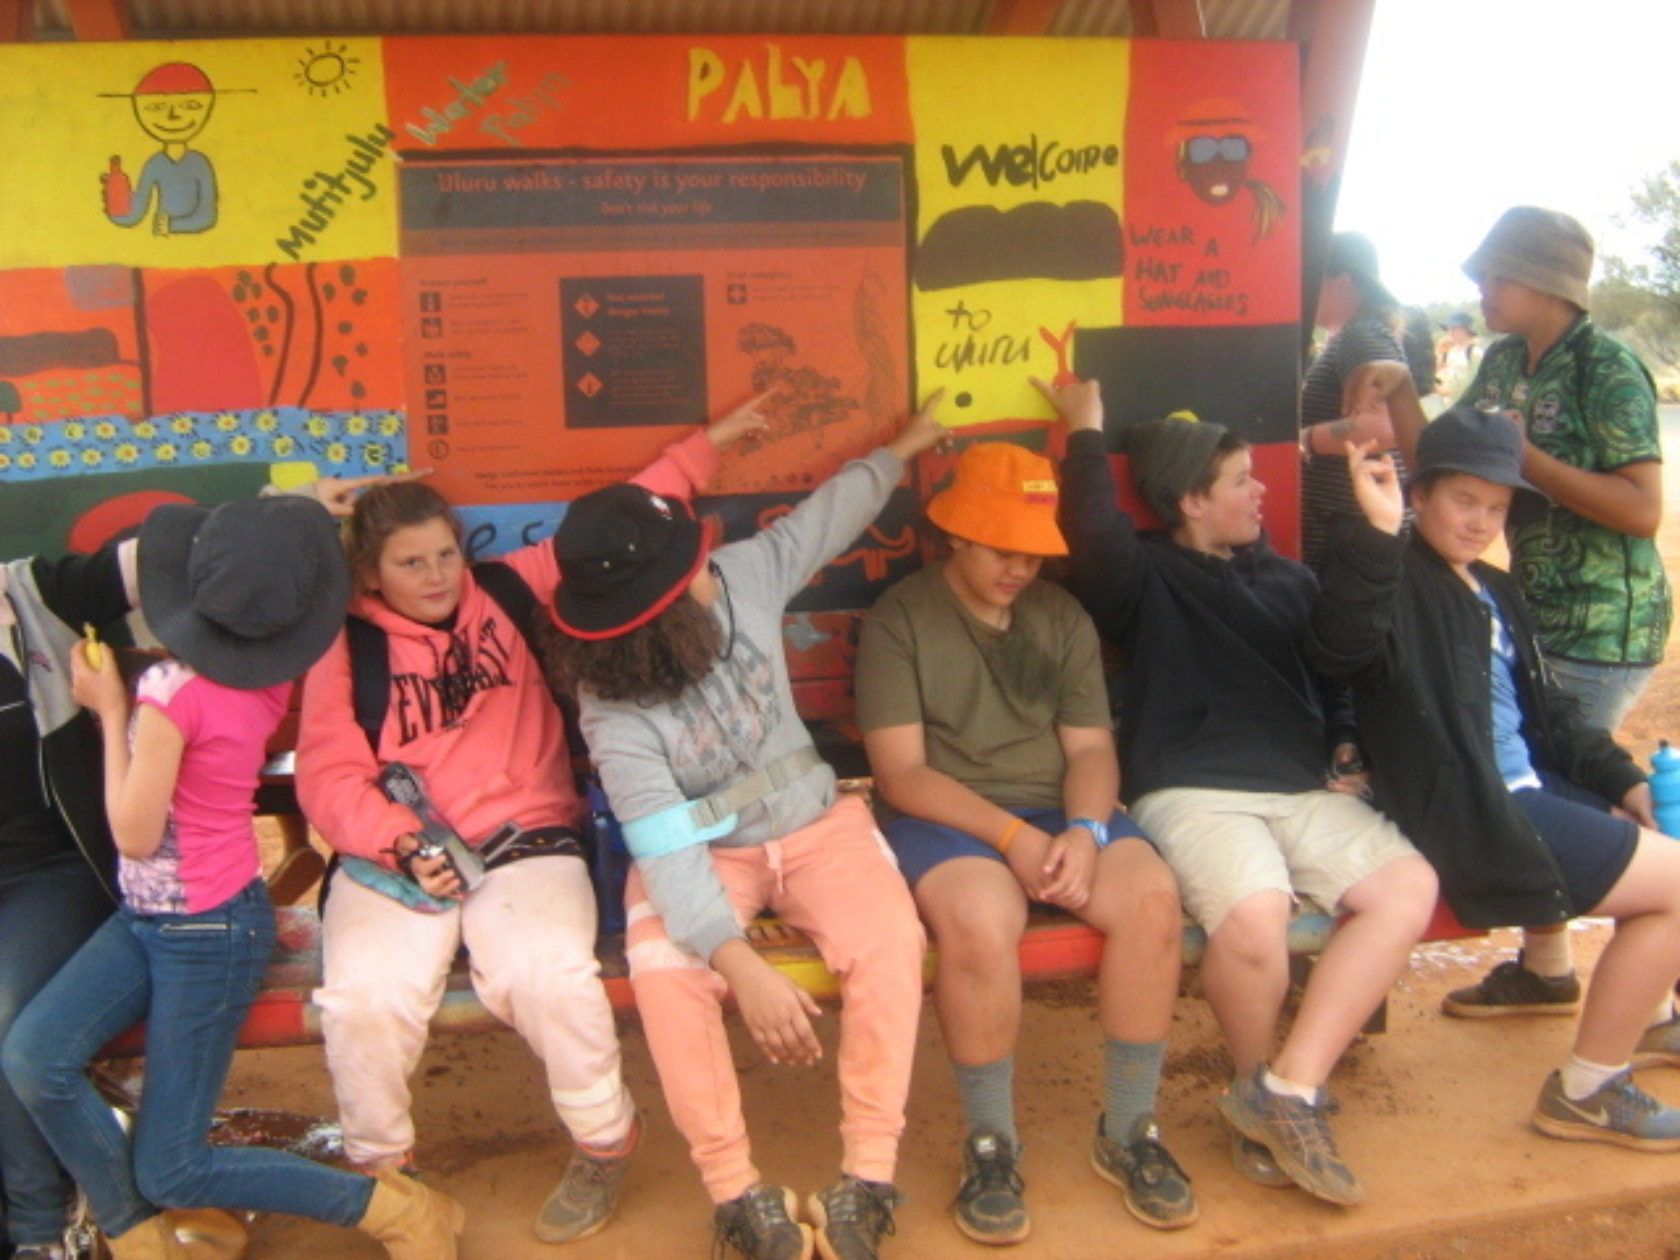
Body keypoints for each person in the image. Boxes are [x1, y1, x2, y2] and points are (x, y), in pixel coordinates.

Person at [295, 407, 761, 1247]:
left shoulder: (507, 587)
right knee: (365, 999)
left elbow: (618, 518)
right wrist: (401, 841)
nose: (436, 576)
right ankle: (389, 1181)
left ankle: (604, 1141)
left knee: (546, 976)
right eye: (410, 563)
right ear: (370, 571)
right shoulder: (347, 645)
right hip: (401, 852)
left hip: (525, 834)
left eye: (444, 553)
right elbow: (328, 776)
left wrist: (710, 447)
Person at [2, 496, 465, 1260]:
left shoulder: (166, 697)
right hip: (168, 921)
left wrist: (111, 710)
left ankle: (398, 1212)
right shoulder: (266, 673)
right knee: (32, 1057)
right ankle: (139, 1232)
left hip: (201, 937)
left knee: (176, 1165)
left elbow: (133, 833)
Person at [548, 399, 948, 1260]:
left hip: (814, 823)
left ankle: (868, 1176)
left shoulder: (741, 576)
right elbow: (663, 849)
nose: (706, 566)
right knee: (663, 965)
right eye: (682, 566)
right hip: (703, 856)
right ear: (641, 610)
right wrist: (739, 965)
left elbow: (825, 519)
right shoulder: (611, 702)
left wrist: (899, 450)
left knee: (889, 941)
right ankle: (736, 1192)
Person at [1047, 376, 1439, 1207]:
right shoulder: (1141, 580)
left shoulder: (1290, 581)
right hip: (1190, 789)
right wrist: (1086, 430)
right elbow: (1091, 528)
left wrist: (1341, 737)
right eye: (1240, 482)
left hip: (1298, 788)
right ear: (1189, 501)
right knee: (1256, 917)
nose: (1263, 489)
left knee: (1408, 885)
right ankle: (1255, 1080)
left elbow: (1340, 666)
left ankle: (1285, 1095)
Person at [1308, 411, 1680, 1149]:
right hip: (1474, 811)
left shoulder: (1496, 590)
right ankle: (1589, 1089)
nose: (1481, 522)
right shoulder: (1391, 577)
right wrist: (1378, 531)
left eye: (1498, 507)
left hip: (1523, 791)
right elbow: (1337, 652)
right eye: (1464, 501)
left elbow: (1556, 717)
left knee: (1657, 817)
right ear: (1422, 495)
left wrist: (1623, 781)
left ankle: (1651, 1012)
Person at [854, 441, 1194, 1244]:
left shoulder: (1060, 615)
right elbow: (900, 775)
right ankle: (991, 1142)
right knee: (978, 919)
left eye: (1033, 552)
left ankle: (1130, 1127)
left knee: (1152, 900)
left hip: (1059, 810)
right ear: (957, 538)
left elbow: (1089, 750)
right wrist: (1007, 836)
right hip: (949, 816)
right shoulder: (902, 618)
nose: (1020, 568)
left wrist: (1085, 828)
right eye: (1003, 548)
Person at [1345, 206, 1672, 1029]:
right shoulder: (1499, 364)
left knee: (1560, 790)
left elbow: (1642, 511)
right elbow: (1449, 461)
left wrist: (1525, 464)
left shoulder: (1609, 370)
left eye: (1495, 276)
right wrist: (1398, 393)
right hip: (1512, 606)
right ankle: (1558, 966)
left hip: (1601, 622)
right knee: (1540, 783)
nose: (1480, 289)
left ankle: (1639, 993)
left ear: (1547, 284)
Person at [1298, 232, 1412, 569]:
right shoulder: (1355, 335)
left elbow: (1383, 427)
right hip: (1352, 521)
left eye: (1312, 277)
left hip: (1354, 526)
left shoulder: (1361, 335)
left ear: (1342, 282)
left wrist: (1305, 439)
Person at [1433, 312, 1483, 408]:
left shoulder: (1475, 353)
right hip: (1447, 406)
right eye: (1449, 329)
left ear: (1466, 330)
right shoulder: (1448, 351)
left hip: (1467, 407)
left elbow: (1475, 382)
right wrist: (1438, 353)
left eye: (1454, 328)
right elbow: (1438, 376)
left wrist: (1446, 390)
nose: (1450, 332)